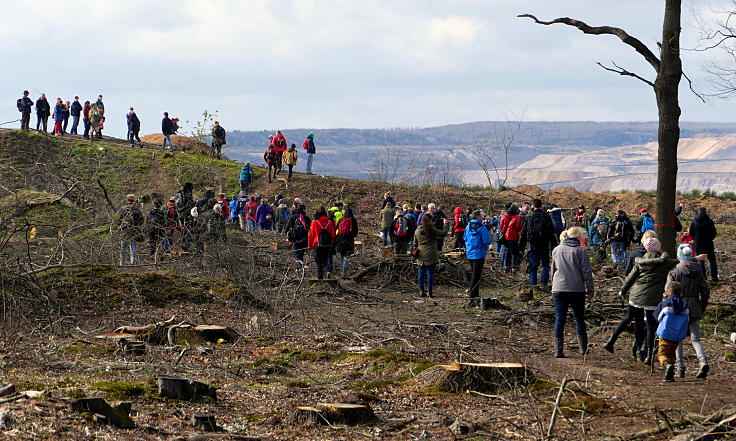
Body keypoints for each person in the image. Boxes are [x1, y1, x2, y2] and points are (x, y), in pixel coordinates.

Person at [604, 237, 676, 365]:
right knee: (650, 327)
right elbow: (679, 262)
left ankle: (620, 343)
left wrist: (623, 291)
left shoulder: (640, 261)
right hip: (652, 299)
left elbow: (630, 278)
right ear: (658, 248)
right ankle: (648, 355)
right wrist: (694, 259)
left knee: (635, 322)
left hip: (636, 296)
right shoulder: (664, 262)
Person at [667, 244, 711, 379]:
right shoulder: (698, 271)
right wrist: (702, 308)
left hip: (679, 308)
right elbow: (705, 292)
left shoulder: (674, 272)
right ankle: (702, 361)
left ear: (679, 256)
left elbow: (667, 292)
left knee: (678, 339)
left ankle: (680, 367)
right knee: (696, 339)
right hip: (695, 307)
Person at [551, 227, 594, 358]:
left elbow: (553, 270)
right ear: (578, 237)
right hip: (576, 289)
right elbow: (586, 271)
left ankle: (558, 350)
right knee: (579, 318)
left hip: (559, 288)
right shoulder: (581, 250)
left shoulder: (556, 250)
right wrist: (590, 289)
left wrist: (553, 285)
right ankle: (583, 349)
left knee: (560, 318)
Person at [655, 281, 690, 382]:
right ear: (680, 293)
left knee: (662, 354)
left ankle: (667, 365)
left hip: (665, 334)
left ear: (668, 293)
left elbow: (658, 317)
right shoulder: (686, 306)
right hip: (678, 335)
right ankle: (670, 375)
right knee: (672, 354)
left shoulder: (665, 305)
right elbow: (688, 320)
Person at [519, 199, 556, 289]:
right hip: (544, 245)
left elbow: (523, 234)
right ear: (541, 206)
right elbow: (552, 232)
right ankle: (543, 284)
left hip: (532, 245)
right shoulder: (546, 216)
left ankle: (533, 284)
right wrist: (554, 244)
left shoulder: (528, 217)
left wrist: (521, 247)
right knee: (545, 265)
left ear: (533, 206)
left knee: (533, 266)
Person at [413, 213, 449, 297]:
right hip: (431, 254)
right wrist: (446, 224)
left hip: (421, 254)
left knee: (420, 274)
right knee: (430, 274)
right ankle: (430, 292)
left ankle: (421, 291)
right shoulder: (431, 230)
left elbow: (414, 243)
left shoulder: (417, 230)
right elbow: (443, 233)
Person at [464, 210, 492, 301]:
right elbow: (486, 241)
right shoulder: (482, 228)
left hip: (470, 253)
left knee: (474, 273)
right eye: (481, 216)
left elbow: (464, 238)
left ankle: (475, 294)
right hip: (479, 253)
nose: (483, 217)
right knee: (476, 275)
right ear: (478, 217)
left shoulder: (468, 226)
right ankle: (473, 295)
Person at [689, 207, 718, 282]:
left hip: (698, 244)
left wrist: (695, 239)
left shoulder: (694, 222)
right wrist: (710, 238)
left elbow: (691, 233)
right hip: (708, 244)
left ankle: (703, 278)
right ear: (705, 212)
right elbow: (714, 233)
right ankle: (714, 278)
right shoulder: (710, 221)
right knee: (712, 261)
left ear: (698, 212)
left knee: (700, 261)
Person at [308, 206, 336, 279]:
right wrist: (331, 242)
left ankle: (319, 277)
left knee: (318, 261)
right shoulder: (329, 222)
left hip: (317, 244)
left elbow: (311, 235)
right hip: (327, 244)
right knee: (325, 259)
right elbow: (333, 234)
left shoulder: (315, 222)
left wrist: (310, 245)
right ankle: (327, 270)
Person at [117, 194, 144, 265]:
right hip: (133, 231)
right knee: (133, 248)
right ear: (134, 200)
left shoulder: (122, 209)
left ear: (127, 200)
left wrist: (121, 225)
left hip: (124, 231)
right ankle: (133, 264)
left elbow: (117, 221)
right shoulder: (137, 209)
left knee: (123, 249)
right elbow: (142, 221)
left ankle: (121, 264)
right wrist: (136, 224)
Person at [499, 203, 523, 272]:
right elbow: (518, 228)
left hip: (506, 237)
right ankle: (513, 267)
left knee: (507, 251)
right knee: (514, 252)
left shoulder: (504, 216)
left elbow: (501, 225)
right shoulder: (516, 217)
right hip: (514, 237)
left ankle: (506, 266)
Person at [336, 207, 358, 277]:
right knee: (347, 255)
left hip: (340, 240)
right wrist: (351, 236)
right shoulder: (353, 220)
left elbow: (336, 230)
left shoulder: (340, 220)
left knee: (343, 255)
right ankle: (345, 271)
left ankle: (343, 269)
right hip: (349, 240)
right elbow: (355, 231)